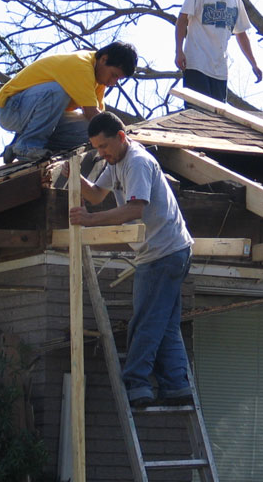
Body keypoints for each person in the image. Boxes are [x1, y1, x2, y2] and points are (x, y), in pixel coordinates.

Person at [68, 111, 194, 407]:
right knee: (164, 323)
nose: (101, 153)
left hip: (163, 253)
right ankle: (176, 385)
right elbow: (98, 194)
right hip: (170, 250)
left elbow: (134, 210)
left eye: (104, 146)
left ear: (121, 137)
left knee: (145, 322)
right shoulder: (117, 160)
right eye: (96, 148)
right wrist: (72, 174)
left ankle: (137, 385)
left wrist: (88, 220)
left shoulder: (136, 162)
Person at [0, 41, 138, 163]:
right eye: (113, 75)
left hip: (28, 116)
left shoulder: (99, 80)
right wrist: (124, 137)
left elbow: (96, 121)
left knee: (90, 131)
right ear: (104, 59)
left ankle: (18, 145)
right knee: (58, 91)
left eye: (117, 79)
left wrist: (118, 140)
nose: (113, 83)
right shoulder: (81, 66)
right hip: (11, 109)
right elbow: (92, 113)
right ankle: (27, 146)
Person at [175, 0, 263, 102]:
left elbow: (241, 34)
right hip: (196, 63)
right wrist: (178, 50)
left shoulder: (236, 0)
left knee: (216, 119)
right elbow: (182, 20)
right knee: (197, 115)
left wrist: (254, 64)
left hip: (219, 70)